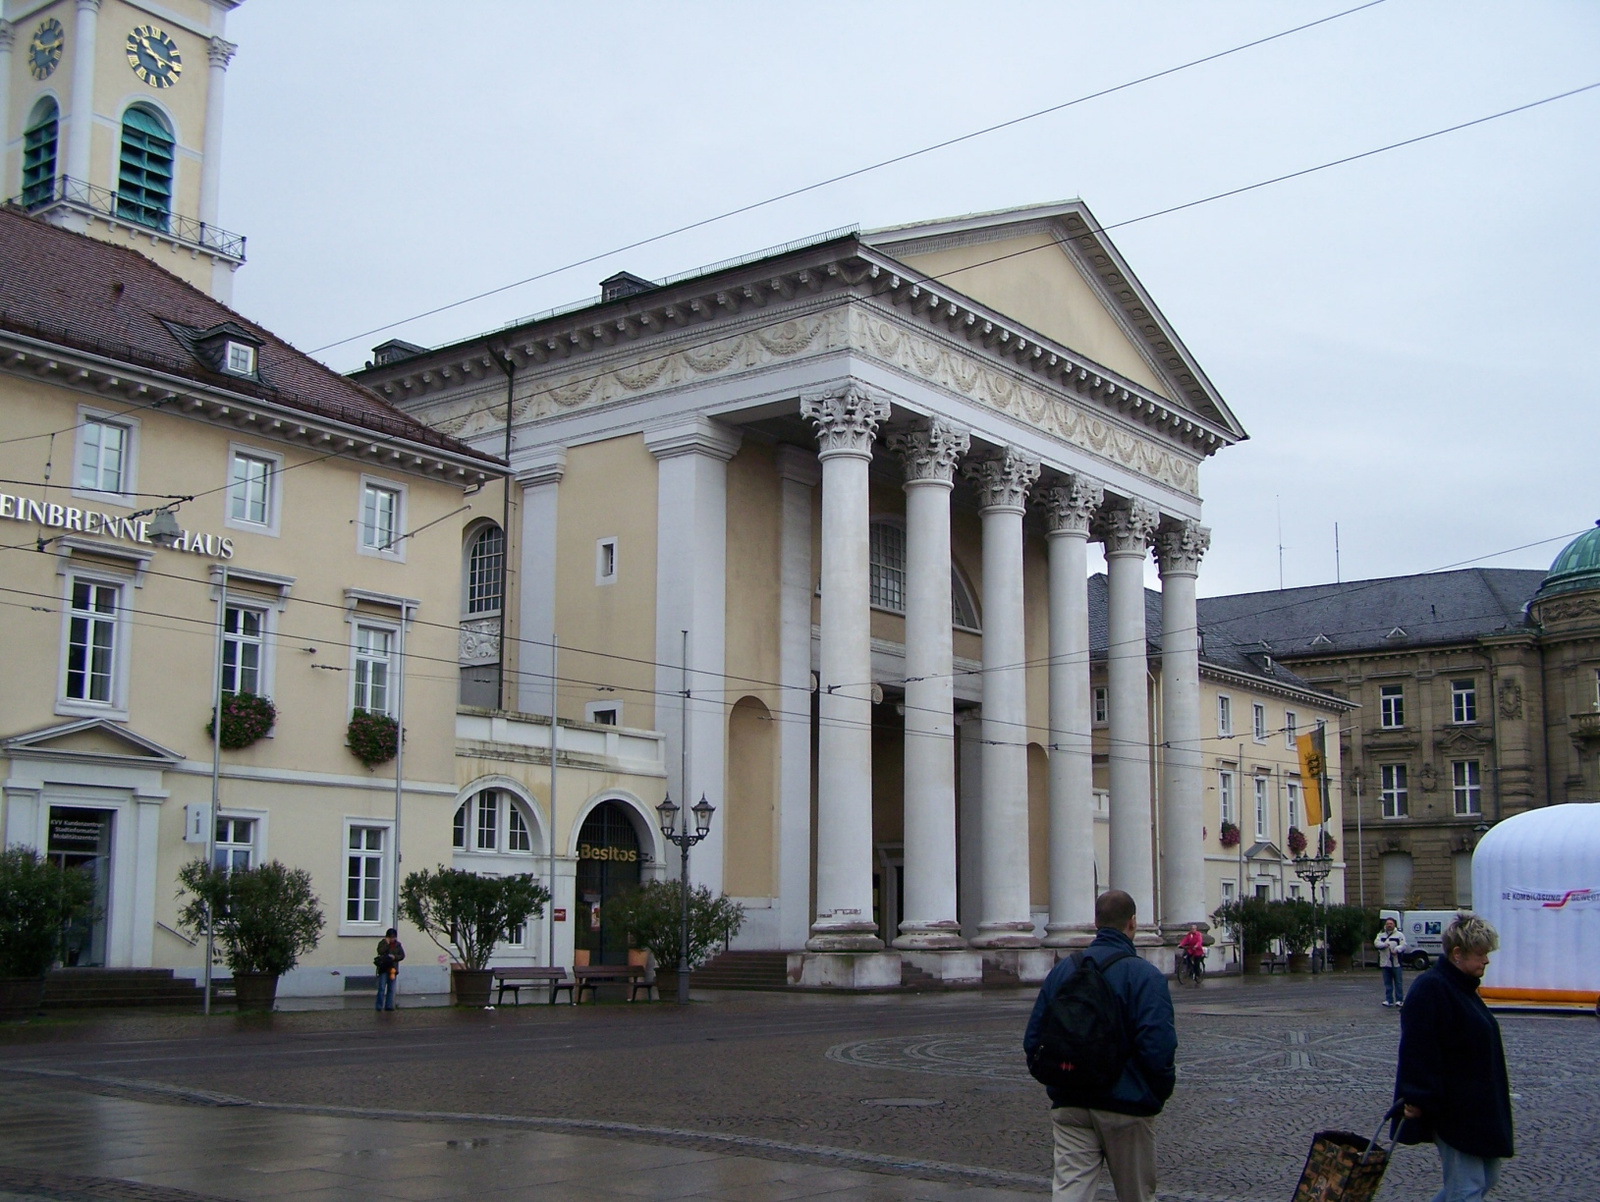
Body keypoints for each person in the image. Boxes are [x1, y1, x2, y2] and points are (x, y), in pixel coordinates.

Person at [1024, 890, 1177, 1202]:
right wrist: (1152, 1093)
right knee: (1137, 1195)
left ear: (1096, 922)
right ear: (1132, 923)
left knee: (1070, 1194)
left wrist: (1058, 1080)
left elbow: (1033, 1040)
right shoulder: (1146, 976)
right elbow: (1158, 1048)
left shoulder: (1063, 971)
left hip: (1071, 1101)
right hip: (1126, 1103)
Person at [1393, 913, 1513, 1202]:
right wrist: (1417, 1096)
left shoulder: (1462, 989)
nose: (1486, 961)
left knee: (1484, 1179)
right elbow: (1418, 1047)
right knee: (1467, 1187)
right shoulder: (1432, 988)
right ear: (1457, 954)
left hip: (1479, 1109)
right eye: (1481, 954)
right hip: (1455, 1109)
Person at [1375, 917, 1407, 1007]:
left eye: (1391, 923)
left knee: (1398, 982)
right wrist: (1384, 945)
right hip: (1385, 962)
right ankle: (1389, 1000)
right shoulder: (1381, 935)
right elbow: (1376, 943)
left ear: (1394, 925)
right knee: (1387, 983)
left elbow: (1404, 945)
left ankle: (1399, 1000)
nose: (1389, 925)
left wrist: (1396, 949)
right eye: (1388, 924)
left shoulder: (1399, 935)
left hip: (1396, 962)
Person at [374, 928, 405, 1011]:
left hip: (392, 969)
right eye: (391, 937)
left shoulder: (398, 945)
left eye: (394, 937)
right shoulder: (382, 943)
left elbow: (402, 955)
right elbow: (380, 951)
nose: (392, 939)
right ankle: (379, 1006)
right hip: (384, 968)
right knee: (381, 988)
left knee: (391, 988)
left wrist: (395, 957)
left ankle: (389, 1006)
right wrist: (386, 944)